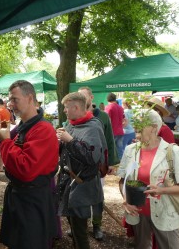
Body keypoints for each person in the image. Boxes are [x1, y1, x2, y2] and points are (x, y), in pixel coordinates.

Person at [117, 109, 179, 249]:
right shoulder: (130, 150)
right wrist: (126, 201)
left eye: (141, 124)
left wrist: (161, 190)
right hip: (138, 213)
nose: (135, 127)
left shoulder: (173, 152)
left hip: (165, 214)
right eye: (135, 124)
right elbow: (123, 181)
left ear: (153, 128)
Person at [0, 80, 58, 249]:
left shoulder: (43, 129)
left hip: (32, 203)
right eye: (10, 100)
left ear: (30, 98)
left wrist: (6, 142)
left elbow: (25, 168)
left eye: (15, 99)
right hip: (21, 199)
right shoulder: (25, 128)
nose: (10, 104)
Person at [56, 92, 107, 249]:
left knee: (79, 230)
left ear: (76, 107)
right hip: (69, 183)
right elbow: (66, 152)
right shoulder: (71, 124)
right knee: (73, 225)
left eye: (66, 107)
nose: (64, 110)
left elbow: (92, 158)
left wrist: (70, 140)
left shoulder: (93, 127)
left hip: (82, 186)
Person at [78, 86, 118, 241]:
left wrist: (111, 163)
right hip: (79, 167)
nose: (82, 100)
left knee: (97, 197)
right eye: (79, 97)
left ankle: (97, 225)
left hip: (98, 166)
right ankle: (80, 225)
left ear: (91, 98)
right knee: (79, 196)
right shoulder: (74, 115)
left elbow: (109, 140)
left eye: (84, 97)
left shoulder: (102, 116)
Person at [0, 98, 11, 172]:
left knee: (0, 149)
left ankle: (0, 167)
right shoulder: (7, 111)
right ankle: (4, 165)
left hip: (1, 132)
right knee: (5, 149)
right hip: (7, 132)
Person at [105, 92, 125, 160]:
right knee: (119, 150)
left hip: (112, 132)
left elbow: (107, 120)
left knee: (110, 151)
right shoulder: (120, 108)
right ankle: (121, 166)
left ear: (107, 99)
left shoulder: (108, 107)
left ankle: (112, 168)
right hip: (120, 131)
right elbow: (123, 120)